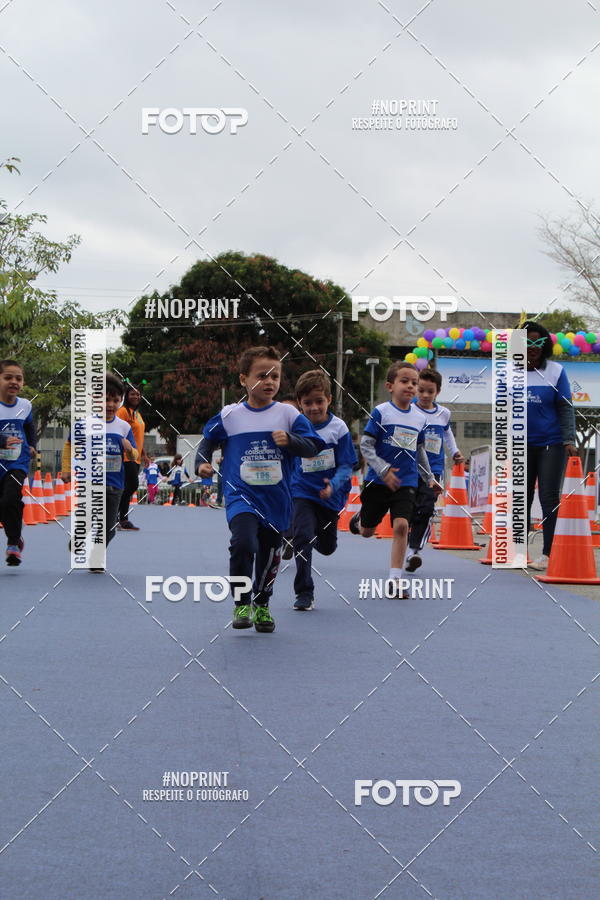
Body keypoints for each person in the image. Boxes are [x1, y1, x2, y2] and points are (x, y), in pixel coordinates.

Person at [195, 346, 324, 633]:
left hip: (277, 499)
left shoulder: (288, 415)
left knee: (269, 554)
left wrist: (290, 441)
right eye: (262, 375)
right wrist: (201, 464)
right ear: (244, 379)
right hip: (241, 494)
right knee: (243, 543)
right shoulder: (230, 415)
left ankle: (262, 603)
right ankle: (242, 601)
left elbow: (313, 446)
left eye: (275, 376)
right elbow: (207, 441)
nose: (269, 382)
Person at [349, 361, 441, 597]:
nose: (410, 386)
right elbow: (367, 446)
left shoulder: (420, 419)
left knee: (401, 526)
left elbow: (420, 452)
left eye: (414, 382)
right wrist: (383, 469)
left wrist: (429, 478)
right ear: (390, 386)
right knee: (367, 532)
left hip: (406, 481)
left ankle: (395, 580)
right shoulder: (382, 412)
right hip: (377, 482)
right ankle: (360, 520)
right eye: (404, 381)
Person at [287, 370, 357, 610]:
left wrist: (334, 485)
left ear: (328, 399)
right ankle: (304, 592)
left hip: (330, 497)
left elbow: (347, 465)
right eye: (307, 403)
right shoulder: (295, 427)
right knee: (302, 537)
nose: (314, 407)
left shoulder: (338, 428)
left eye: (319, 401)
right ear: (299, 403)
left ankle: (314, 537)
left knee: (327, 548)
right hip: (302, 492)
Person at [62, 373, 138, 573]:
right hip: (89, 482)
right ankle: (79, 538)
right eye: (105, 399)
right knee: (87, 519)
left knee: (109, 527)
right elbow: (69, 445)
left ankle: (96, 556)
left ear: (120, 401)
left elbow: (135, 453)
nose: (110, 404)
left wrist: (129, 448)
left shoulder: (123, 426)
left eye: (115, 400)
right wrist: (66, 468)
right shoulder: (84, 424)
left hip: (115, 484)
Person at [523, 320, 577, 570]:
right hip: (521, 444)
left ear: (544, 345)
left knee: (548, 496)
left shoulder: (556, 371)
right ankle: (518, 550)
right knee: (521, 497)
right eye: (527, 341)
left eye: (537, 341)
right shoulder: (509, 371)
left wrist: (568, 439)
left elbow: (565, 407)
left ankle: (547, 554)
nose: (532, 346)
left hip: (551, 444)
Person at [405, 368, 463, 572]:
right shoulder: (408, 410)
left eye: (430, 391)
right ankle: (407, 539)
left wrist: (455, 451)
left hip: (434, 469)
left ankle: (413, 551)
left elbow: (447, 434)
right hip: (410, 467)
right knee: (409, 509)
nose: (425, 395)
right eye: (421, 391)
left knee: (426, 508)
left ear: (437, 391)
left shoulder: (443, 413)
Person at [0, 359, 37, 566]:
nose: (14, 382)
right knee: (5, 503)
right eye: (8, 377)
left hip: (17, 462)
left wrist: (32, 445)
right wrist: (3, 440)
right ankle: (14, 528)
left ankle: (13, 543)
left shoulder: (25, 405)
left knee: (9, 499)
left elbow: (30, 427)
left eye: (18, 378)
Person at [116, 384, 147, 530]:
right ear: (126, 396)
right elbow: (117, 432)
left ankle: (121, 518)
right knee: (132, 485)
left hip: (136, 457)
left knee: (128, 487)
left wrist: (144, 454)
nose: (135, 396)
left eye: (138, 394)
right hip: (125, 456)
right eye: (132, 394)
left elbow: (137, 437)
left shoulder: (137, 414)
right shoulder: (122, 412)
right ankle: (119, 516)